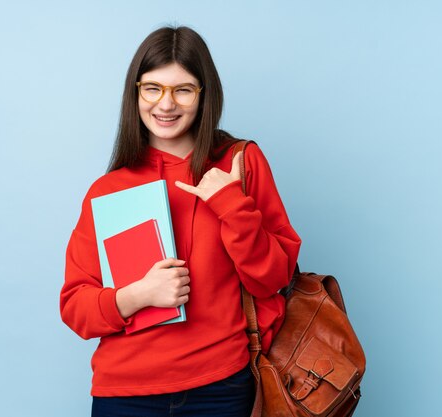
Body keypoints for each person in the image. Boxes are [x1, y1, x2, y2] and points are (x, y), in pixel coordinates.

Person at [60, 25, 301, 417]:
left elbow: (273, 278)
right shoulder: (107, 189)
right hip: (125, 394)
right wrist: (139, 295)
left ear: (204, 94)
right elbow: (75, 307)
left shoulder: (239, 163)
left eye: (183, 89)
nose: (166, 104)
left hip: (221, 388)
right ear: (135, 93)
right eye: (152, 88)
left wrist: (230, 203)